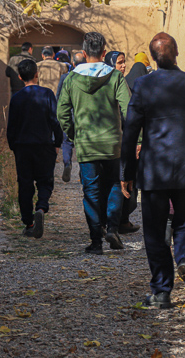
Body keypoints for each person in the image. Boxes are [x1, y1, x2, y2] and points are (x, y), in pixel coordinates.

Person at [121, 32, 185, 308]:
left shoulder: (143, 85)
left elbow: (130, 132)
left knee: (154, 232)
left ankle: (162, 292)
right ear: (176, 54)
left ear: (153, 58)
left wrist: (126, 172)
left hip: (154, 170)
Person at [58, 32, 131, 254]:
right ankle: (113, 228)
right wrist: (134, 138)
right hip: (112, 143)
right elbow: (129, 109)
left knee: (91, 191)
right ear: (104, 53)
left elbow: (62, 113)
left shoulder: (71, 79)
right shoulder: (115, 77)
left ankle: (96, 241)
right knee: (114, 185)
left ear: (83, 53)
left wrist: (73, 134)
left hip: (86, 144)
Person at [7, 59, 64, 239]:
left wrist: (13, 146)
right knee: (45, 181)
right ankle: (41, 207)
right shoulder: (47, 94)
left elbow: (11, 126)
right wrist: (57, 142)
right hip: (43, 145)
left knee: (25, 184)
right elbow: (54, 121)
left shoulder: (16, 98)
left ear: (20, 77)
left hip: (22, 147)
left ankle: (29, 223)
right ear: (37, 74)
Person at [104, 50, 140, 235]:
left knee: (126, 183)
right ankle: (115, 222)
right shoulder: (108, 85)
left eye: (124, 62)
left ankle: (120, 221)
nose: (124, 65)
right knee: (118, 183)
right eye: (119, 62)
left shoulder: (124, 84)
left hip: (124, 142)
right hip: (115, 142)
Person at [56, 50, 87, 183]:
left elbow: (58, 97)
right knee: (81, 143)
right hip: (83, 116)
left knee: (67, 142)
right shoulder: (88, 78)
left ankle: (67, 163)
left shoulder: (65, 77)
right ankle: (82, 168)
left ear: (73, 63)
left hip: (69, 115)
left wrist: (59, 116)